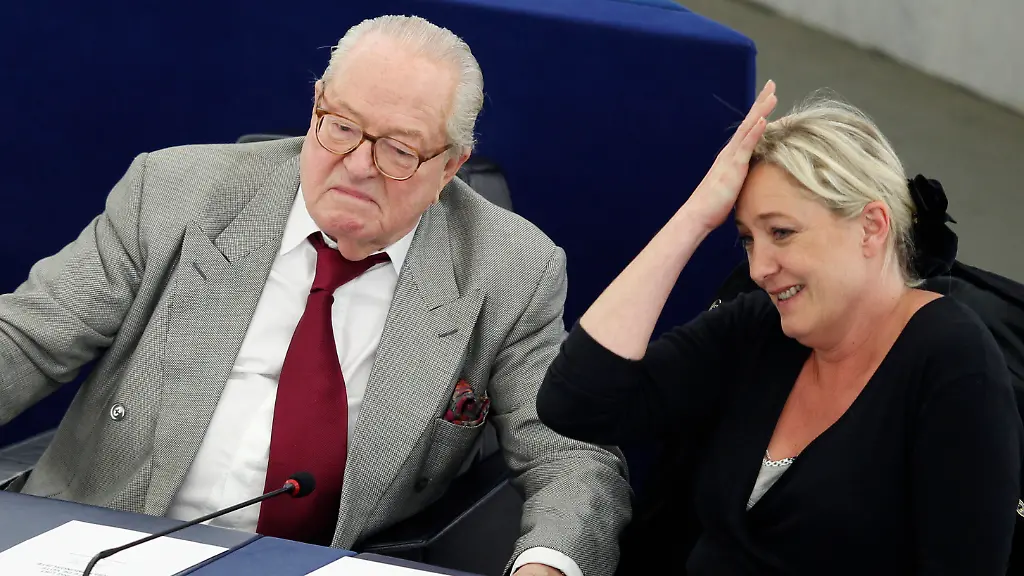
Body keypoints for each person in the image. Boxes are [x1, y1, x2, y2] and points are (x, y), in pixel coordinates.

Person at [0, 15, 631, 576]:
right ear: (316, 108)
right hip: (103, 543)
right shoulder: (173, 192)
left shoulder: (511, 269)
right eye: (342, 127)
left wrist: (546, 566)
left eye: (399, 150)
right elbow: (27, 338)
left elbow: (571, 455)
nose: (357, 165)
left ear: (450, 166)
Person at [537, 81, 1023, 574]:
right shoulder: (760, 327)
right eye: (748, 239)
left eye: (782, 232)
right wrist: (695, 217)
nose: (758, 268)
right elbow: (575, 404)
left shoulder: (953, 363)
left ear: (872, 227)